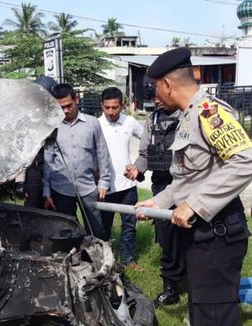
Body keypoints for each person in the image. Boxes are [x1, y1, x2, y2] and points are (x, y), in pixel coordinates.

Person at [136, 47, 252, 325]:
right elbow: (191, 176)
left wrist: (194, 205)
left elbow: (245, 160)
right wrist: (159, 202)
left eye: (155, 88)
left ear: (167, 84)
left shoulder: (208, 112)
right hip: (203, 234)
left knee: (213, 316)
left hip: (219, 234)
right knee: (201, 310)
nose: (155, 95)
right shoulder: (188, 116)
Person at [125, 84, 186, 305]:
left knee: (190, 233)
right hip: (161, 186)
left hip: (187, 185)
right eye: (153, 97)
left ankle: (193, 278)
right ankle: (170, 287)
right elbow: (143, 155)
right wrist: (136, 169)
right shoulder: (152, 120)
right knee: (167, 237)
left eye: (160, 96)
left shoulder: (187, 115)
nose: (157, 101)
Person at [43, 83, 111, 239]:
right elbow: (48, 159)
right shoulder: (53, 126)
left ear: (77, 100)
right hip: (61, 189)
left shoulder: (92, 123)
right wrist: (46, 191)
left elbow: (102, 153)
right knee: (66, 232)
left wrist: (103, 183)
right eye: (61, 107)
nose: (66, 111)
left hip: (88, 188)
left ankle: (99, 260)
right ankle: (73, 260)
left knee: (96, 230)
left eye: (69, 105)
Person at [98, 87, 143, 268]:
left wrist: (138, 166)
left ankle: (128, 259)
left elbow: (148, 143)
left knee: (129, 225)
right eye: (107, 107)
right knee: (103, 228)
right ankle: (102, 261)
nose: (110, 112)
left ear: (122, 106)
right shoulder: (96, 125)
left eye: (114, 107)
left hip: (127, 186)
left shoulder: (130, 122)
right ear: (102, 106)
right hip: (104, 187)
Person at [23, 76, 58, 208]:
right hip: (35, 169)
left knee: (57, 207)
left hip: (55, 168)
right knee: (33, 209)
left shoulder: (59, 117)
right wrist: (21, 182)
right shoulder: (28, 119)